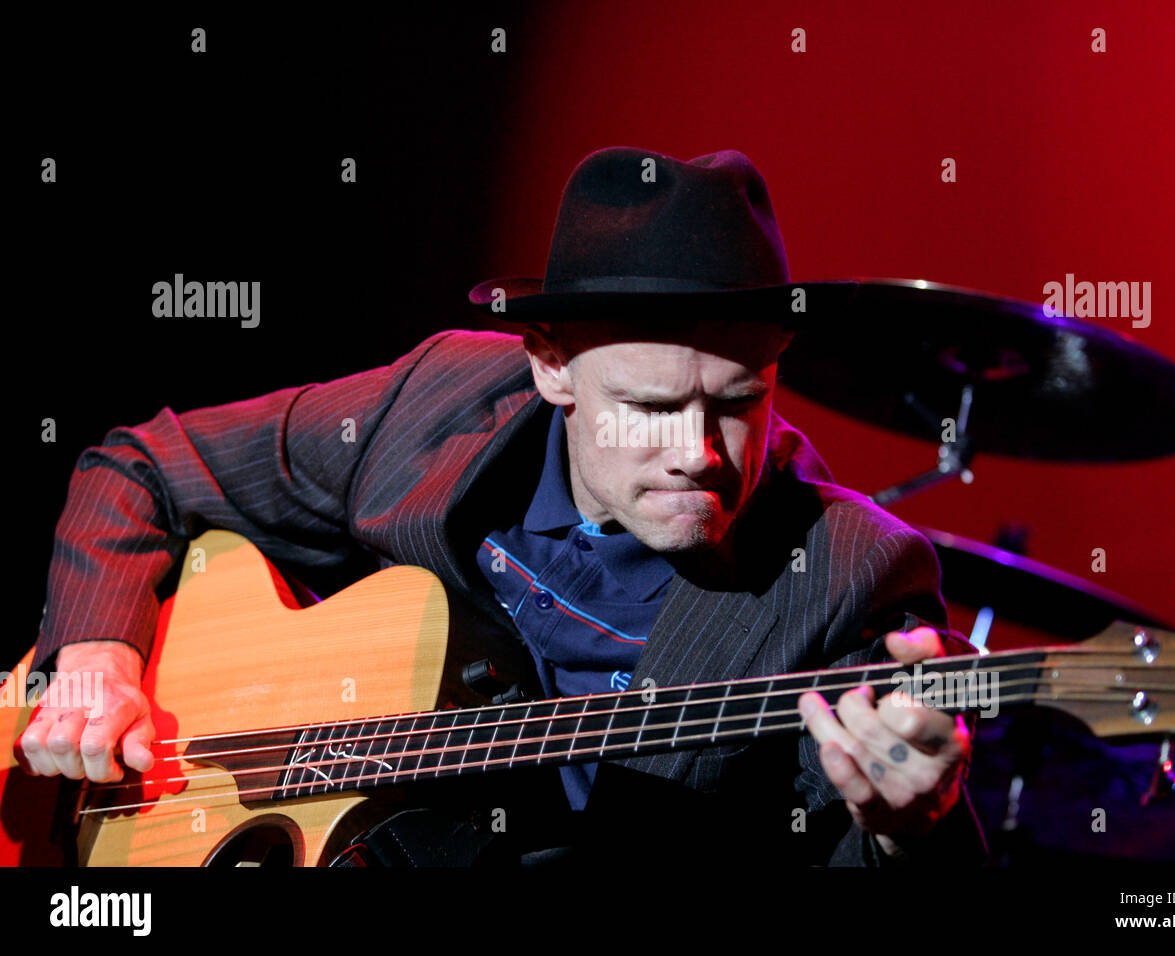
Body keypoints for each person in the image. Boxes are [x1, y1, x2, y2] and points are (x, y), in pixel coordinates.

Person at [18, 146, 988, 866]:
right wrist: (101, 655)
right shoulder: (438, 406)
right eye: (649, 407)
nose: (698, 453)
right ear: (551, 366)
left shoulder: (852, 568)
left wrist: (912, 824)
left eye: (737, 402)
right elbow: (140, 465)